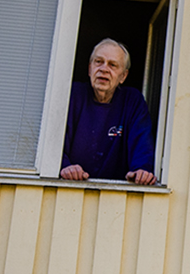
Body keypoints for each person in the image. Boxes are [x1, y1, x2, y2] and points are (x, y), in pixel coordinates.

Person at [60, 39, 157, 185]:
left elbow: (142, 143)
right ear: (89, 69)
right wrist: (65, 166)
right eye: (98, 62)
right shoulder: (72, 94)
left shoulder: (132, 101)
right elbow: (53, 142)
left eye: (112, 65)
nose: (104, 69)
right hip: (71, 187)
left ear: (123, 76)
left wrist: (141, 170)